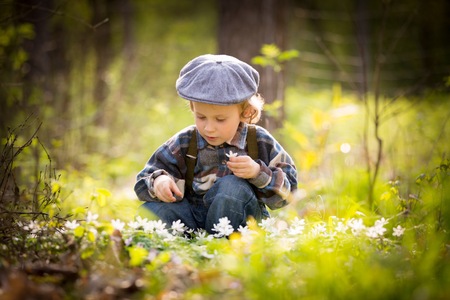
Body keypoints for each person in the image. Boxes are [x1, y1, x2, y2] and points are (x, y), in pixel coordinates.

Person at [134, 54, 297, 234]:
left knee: (231, 187)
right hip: (193, 218)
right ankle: (186, 246)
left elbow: (288, 192)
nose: (209, 128)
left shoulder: (258, 141)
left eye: (220, 119)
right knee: (150, 213)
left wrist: (258, 173)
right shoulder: (186, 141)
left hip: (239, 219)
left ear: (245, 112)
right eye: (201, 117)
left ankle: (223, 250)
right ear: (192, 108)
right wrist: (159, 181)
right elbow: (144, 178)